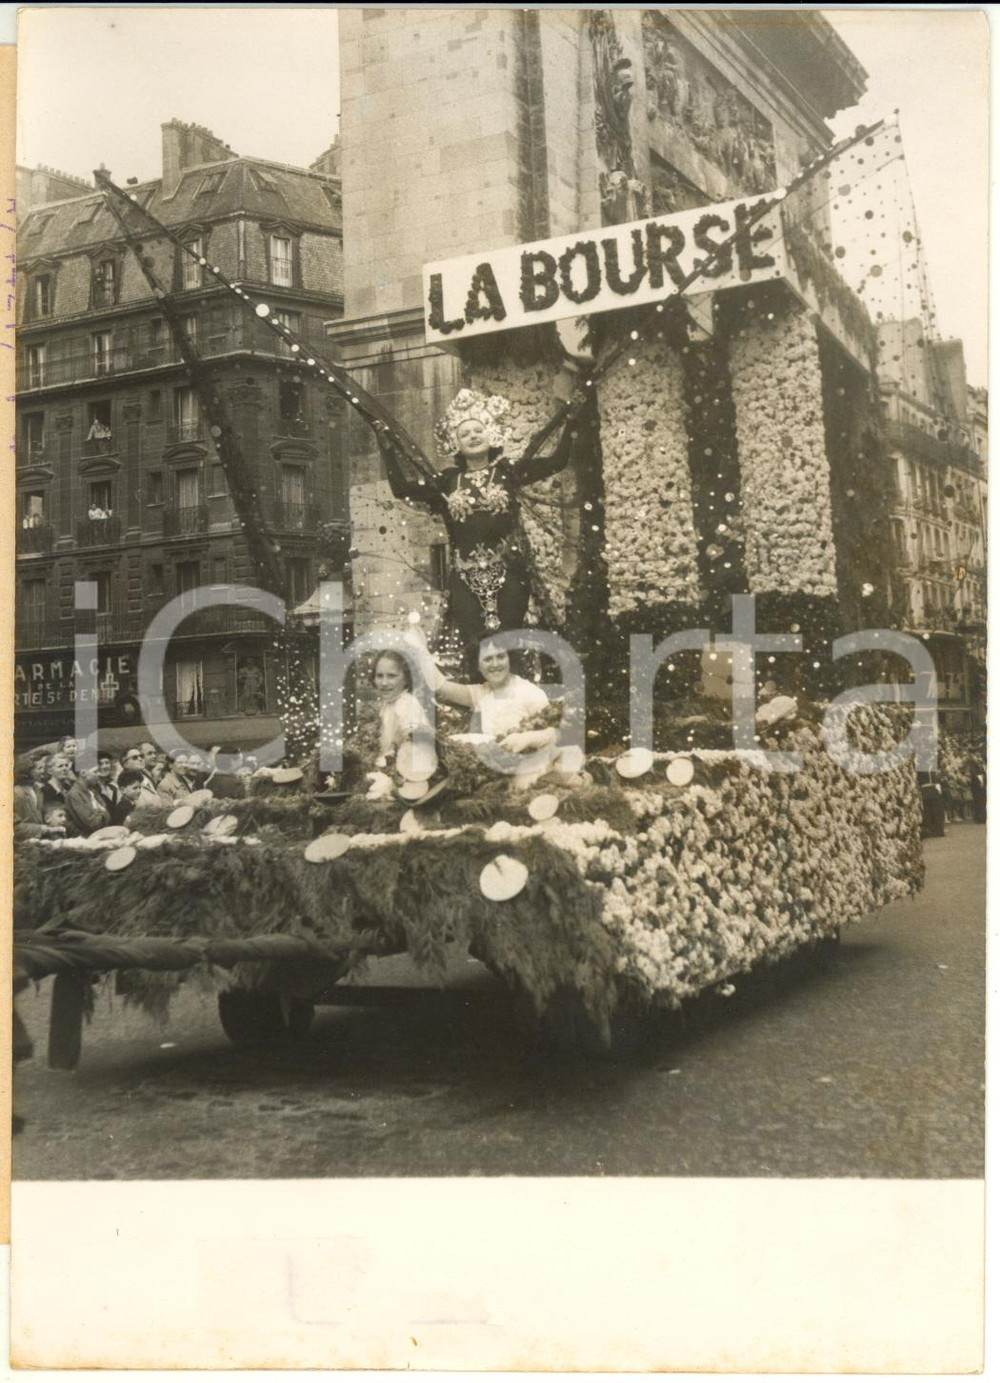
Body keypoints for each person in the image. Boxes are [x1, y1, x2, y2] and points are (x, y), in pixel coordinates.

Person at [374, 389, 576, 666]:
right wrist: (386, 447)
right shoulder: (446, 481)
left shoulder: (507, 472)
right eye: (464, 433)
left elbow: (558, 461)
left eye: (478, 429)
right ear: (455, 443)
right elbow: (401, 489)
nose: (472, 436)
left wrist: (572, 419)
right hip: (465, 577)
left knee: (508, 644)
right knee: (475, 648)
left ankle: (516, 707)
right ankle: (480, 707)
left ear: (490, 434)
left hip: (510, 574)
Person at [370, 651, 433, 767]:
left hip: (406, 771)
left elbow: (415, 748)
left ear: (406, 679)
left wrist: (387, 762)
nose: (384, 683)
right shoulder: (388, 704)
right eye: (379, 676)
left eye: (391, 676)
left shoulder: (405, 704)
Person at [13, 754, 65, 841]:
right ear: (27, 772)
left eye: (43, 768)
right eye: (39, 768)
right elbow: (15, 827)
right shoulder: (17, 793)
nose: (43, 771)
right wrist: (44, 829)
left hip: (39, 838)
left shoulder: (37, 790)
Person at [65, 766, 113, 837]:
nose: (99, 774)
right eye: (95, 772)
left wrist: (100, 813)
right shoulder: (74, 795)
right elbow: (93, 823)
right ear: (83, 773)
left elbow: (108, 816)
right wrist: (103, 812)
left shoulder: (93, 791)